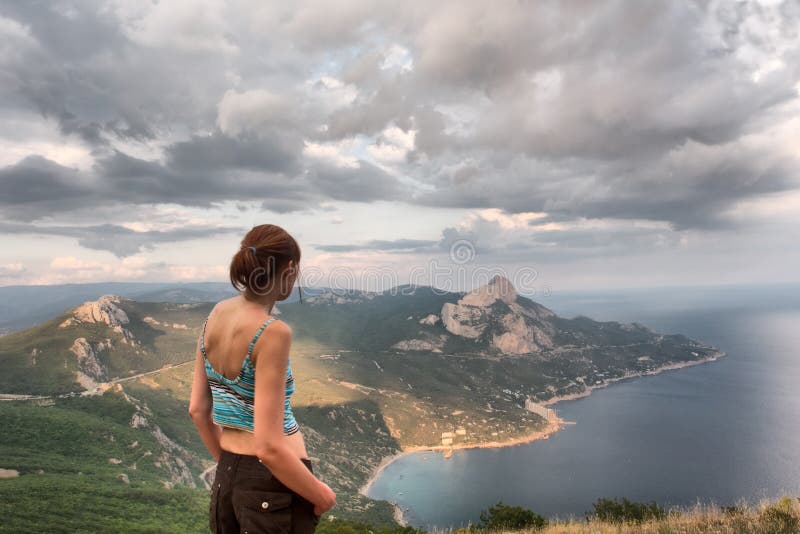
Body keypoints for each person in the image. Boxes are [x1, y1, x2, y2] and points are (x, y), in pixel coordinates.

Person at [189, 224, 336, 533]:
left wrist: (235, 471)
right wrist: (322, 496)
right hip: (274, 487)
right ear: (291, 268)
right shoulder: (272, 332)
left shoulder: (213, 316)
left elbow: (198, 411)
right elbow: (268, 447)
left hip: (228, 477)